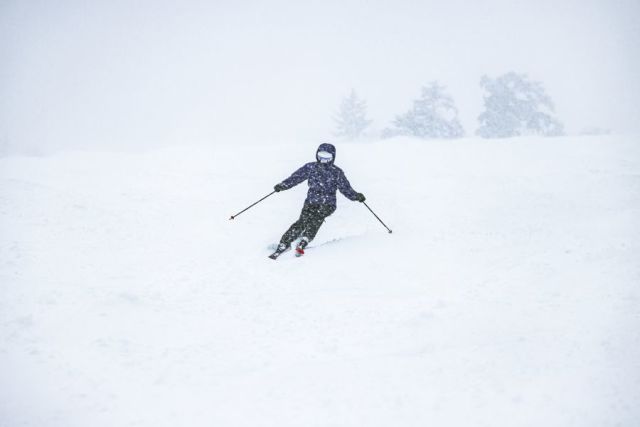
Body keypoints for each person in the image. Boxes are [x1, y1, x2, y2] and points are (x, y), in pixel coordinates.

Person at [269, 143, 365, 258]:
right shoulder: (311, 167)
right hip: (311, 201)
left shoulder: (336, 172)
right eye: (321, 156)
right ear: (317, 155)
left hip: (328, 203)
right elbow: (296, 178)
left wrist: (356, 196)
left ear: (332, 157)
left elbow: (345, 188)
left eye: (327, 157)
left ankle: (305, 239)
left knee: (316, 218)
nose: (323, 160)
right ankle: (284, 243)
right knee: (302, 221)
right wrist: (283, 185)